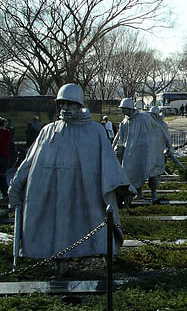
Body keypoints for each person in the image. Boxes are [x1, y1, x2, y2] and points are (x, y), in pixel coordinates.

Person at [8, 83, 135, 260]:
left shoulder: (95, 131)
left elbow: (108, 162)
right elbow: (30, 161)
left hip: (87, 191)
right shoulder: (48, 131)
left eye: (70, 104)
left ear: (79, 105)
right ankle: (61, 262)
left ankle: (106, 252)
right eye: (62, 104)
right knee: (58, 227)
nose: (65, 108)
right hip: (56, 192)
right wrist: (16, 185)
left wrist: (121, 187)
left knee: (97, 220)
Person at [113, 97, 158, 200]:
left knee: (151, 172)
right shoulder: (124, 122)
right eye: (121, 108)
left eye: (123, 108)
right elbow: (121, 139)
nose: (122, 110)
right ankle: (138, 192)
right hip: (130, 153)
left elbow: (156, 129)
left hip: (145, 151)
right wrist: (117, 151)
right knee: (130, 173)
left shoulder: (144, 118)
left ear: (130, 108)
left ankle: (154, 193)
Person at [148, 106, 174, 203]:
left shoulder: (161, 126)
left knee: (155, 175)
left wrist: (169, 148)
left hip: (157, 154)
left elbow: (167, 138)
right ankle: (139, 192)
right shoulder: (146, 125)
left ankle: (153, 193)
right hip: (147, 154)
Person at [0, 117, 11, 200]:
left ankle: (4, 193)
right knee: (2, 176)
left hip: (2, 155)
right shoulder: (7, 132)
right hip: (4, 156)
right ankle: (5, 194)